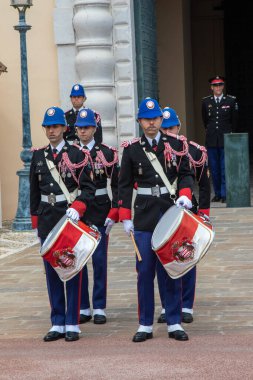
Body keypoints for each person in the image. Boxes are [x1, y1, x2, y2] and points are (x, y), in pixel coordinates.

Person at [118, 97, 194, 343]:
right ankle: (145, 324)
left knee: (170, 270)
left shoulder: (175, 145)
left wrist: (184, 196)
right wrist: (125, 217)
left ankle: (173, 322)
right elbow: (125, 185)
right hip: (143, 217)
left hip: (169, 214)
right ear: (140, 121)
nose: (151, 123)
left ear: (161, 120)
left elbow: (186, 174)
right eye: (146, 119)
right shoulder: (131, 149)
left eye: (155, 119)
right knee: (144, 272)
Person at [30, 106, 95, 342]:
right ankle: (57, 321)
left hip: (69, 220)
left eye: (55, 126)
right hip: (48, 218)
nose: (51, 131)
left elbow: (88, 189)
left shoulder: (77, 154)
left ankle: (72, 322)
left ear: (64, 128)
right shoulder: (38, 156)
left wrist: (77, 208)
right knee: (52, 273)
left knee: (72, 268)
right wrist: (36, 223)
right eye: (47, 127)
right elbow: (34, 193)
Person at [157, 106, 211, 325]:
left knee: (186, 256)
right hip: (163, 211)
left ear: (178, 126)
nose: (169, 132)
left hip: (188, 211)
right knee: (164, 259)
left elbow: (204, 185)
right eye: (165, 128)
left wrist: (204, 214)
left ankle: (186, 305)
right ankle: (166, 305)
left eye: (172, 127)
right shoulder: (154, 151)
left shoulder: (195, 150)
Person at [74, 108, 119, 325]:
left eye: (87, 127)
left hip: (101, 210)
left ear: (94, 128)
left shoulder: (107, 153)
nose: (83, 132)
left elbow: (118, 183)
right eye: (80, 128)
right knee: (79, 260)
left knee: (99, 260)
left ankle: (99, 306)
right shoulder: (69, 153)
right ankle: (83, 306)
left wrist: (115, 211)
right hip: (78, 213)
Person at [202, 75, 238, 203]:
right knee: (214, 168)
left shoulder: (230, 101)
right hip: (212, 139)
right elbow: (205, 120)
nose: (218, 87)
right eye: (216, 85)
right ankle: (217, 193)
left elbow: (234, 121)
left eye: (220, 85)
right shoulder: (206, 102)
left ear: (223, 86)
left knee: (224, 167)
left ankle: (224, 194)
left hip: (225, 139)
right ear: (211, 87)